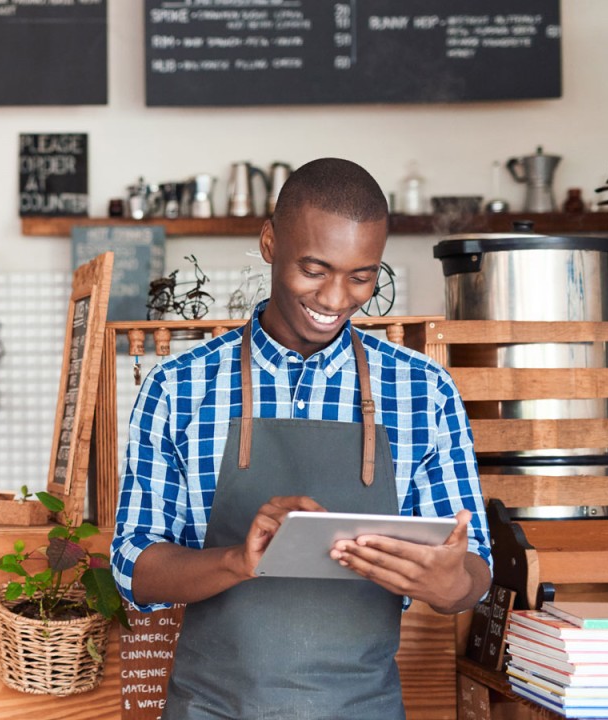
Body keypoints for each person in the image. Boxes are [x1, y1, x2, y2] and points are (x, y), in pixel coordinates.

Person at [111, 158, 492, 720]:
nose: (336, 298)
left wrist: (449, 582)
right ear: (269, 242)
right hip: (211, 708)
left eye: (362, 276)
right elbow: (133, 566)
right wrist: (238, 561)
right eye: (315, 269)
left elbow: (475, 570)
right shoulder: (179, 385)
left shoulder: (423, 390)